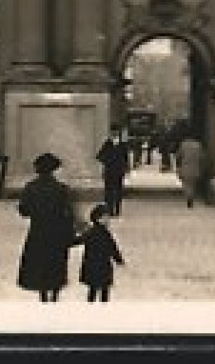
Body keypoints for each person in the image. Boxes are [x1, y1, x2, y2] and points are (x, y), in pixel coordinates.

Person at [17, 152, 82, 303]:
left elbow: (24, 211)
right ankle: (54, 294)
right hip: (57, 232)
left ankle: (43, 295)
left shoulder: (31, 188)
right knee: (56, 263)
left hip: (38, 231)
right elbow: (69, 212)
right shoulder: (62, 189)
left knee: (40, 263)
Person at [77, 203, 126, 303]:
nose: (108, 220)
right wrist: (119, 260)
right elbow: (113, 248)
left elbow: (78, 240)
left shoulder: (90, 232)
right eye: (105, 217)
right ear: (98, 218)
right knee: (103, 291)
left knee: (93, 290)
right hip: (103, 266)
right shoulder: (105, 234)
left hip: (91, 266)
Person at [96, 127, 131, 216]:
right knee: (108, 191)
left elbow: (126, 157)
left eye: (115, 132)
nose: (114, 134)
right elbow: (99, 156)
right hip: (109, 170)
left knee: (118, 191)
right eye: (113, 133)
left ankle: (117, 210)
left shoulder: (122, 145)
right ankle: (110, 210)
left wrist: (125, 168)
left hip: (118, 171)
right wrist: (108, 160)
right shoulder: (107, 144)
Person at [176, 131, 208, 208]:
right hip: (196, 167)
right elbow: (202, 157)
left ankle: (189, 196)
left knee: (186, 184)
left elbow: (179, 156)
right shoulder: (199, 145)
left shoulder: (184, 144)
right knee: (193, 184)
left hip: (185, 166)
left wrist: (178, 165)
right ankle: (191, 195)